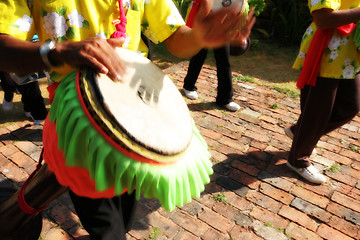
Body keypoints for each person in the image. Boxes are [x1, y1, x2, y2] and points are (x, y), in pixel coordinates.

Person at [0, 0, 255, 239]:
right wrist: (58, 52)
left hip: (136, 119)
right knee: (108, 230)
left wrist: (198, 37)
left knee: (124, 217)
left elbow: (175, 37)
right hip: (79, 125)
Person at [285, 0, 360, 184]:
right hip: (327, 52)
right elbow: (323, 19)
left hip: (350, 55)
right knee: (318, 111)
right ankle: (298, 160)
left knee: (351, 106)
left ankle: (298, 132)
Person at [182, 0, 252, 112]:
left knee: (223, 60)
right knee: (199, 54)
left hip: (223, 23)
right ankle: (188, 86)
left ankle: (225, 99)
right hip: (205, 18)